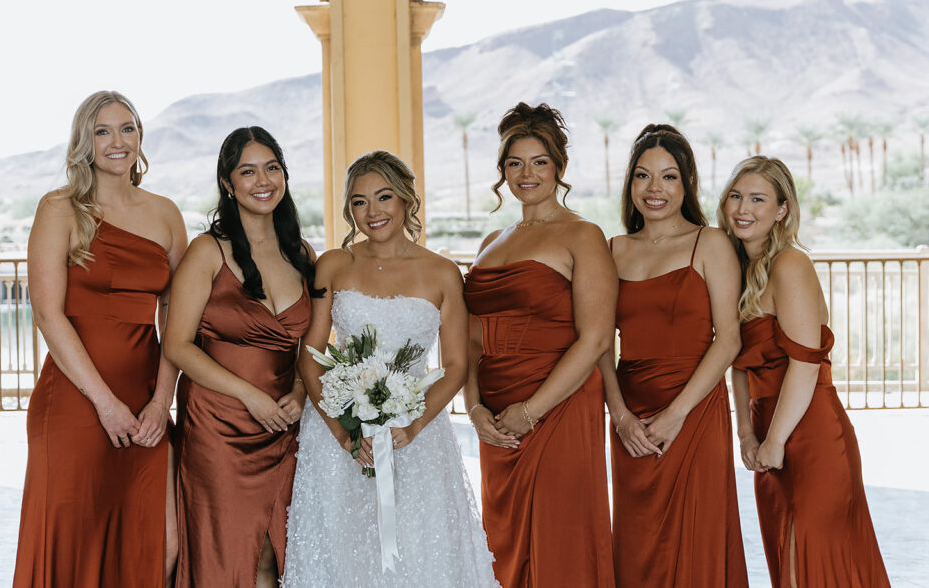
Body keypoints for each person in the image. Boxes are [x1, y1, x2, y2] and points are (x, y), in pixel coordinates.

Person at [282, 150, 499, 587]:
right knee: (341, 552)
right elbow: (311, 353)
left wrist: (413, 426)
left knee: (419, 552)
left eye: (384, 197)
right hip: (338, 434)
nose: (372, 212)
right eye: (359, 202)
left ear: (406, 200)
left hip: (417, 433)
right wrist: (343, 434)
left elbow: (455, 365)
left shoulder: (442, 273)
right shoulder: (333, 265)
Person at [13, 91, 186, 588]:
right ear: (84, 142)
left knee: (162, 545)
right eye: (102, 131)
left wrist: (161, 402)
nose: (117, 141)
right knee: (74, 544)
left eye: (127, 128)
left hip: (145, 397)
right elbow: (48, 314)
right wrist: (105, 404)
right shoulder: (60, 208)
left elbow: (176, 317)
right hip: (76, 399)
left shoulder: (165, 214)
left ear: (140, 137)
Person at [463, 102, 617, 587]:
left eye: (539, 162)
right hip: (497, 416)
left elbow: (596, 338)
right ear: (502, 171)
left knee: (559, 539)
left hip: (559, 405)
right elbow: (471, 338)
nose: (526, 174)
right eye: (515, 163)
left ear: (560, 167)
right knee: (503, 542)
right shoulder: (492, 240)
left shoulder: (583, 235)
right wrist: (474, 408)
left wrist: (531, 411)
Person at [720, 156, 890, 587]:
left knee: (811, 566)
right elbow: (738, 365)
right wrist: (746, 435)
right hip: (767, 434)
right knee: (788, 566)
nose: (743, 208)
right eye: (736, 196)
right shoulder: (736, 271)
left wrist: (775, 440)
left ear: (782, 210)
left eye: (758, 199)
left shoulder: (790, 264)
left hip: (812, 434)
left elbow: (805, 362)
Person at [164, 127, 319, 587]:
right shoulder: (207, 251)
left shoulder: (302, 253)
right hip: (218, 424)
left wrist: (299, 391)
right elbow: (177, 344)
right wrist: (249, 395)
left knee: (275, 549)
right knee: (227, 549)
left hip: (283, 424)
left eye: (272, 168)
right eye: (247, 171)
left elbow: (308, 345)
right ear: (227, 183)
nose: (262, 181)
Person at [598, 124, 748, 587]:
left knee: (695, 538)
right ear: (630, 184)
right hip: (631, 417)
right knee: (637, 543)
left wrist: (676, 414)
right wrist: (620, 415)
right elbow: (599, 343)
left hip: (693, 411)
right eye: (643, 176)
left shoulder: (711, 243)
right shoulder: (613, 250)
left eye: (668, 176)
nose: (654, 188)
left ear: (688, 183)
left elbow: (729, 339)